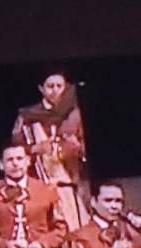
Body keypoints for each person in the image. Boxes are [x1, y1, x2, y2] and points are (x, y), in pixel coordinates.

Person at [11, 69, 88, 231]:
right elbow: (15, 148)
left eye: (59, 86)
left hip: (68, 178)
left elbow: (81, 146)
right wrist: (34, 148)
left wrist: (76, 148)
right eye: (50, 86)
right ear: (41, 88)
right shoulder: (28, 115)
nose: (54, 90)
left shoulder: (74, 115)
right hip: (40, 178)